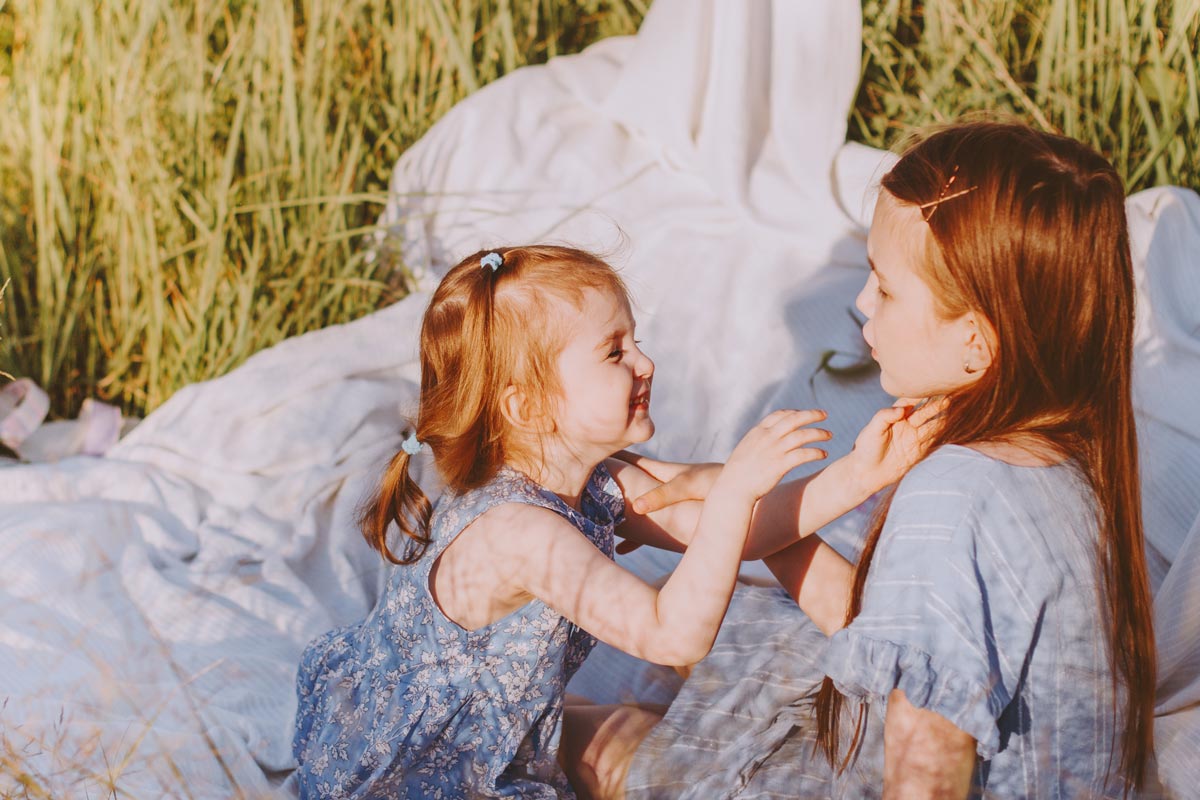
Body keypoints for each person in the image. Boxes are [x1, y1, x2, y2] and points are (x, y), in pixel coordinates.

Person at [565, 121, 1157, 799]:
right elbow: (898, 633)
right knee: (726, 670)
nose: (860, 303)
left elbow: (929, 768)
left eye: (886, 287)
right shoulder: (1064, 458)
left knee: (576, 740)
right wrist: (739, 514)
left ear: (976, 343)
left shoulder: (952, 496)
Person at [290, 245, 925, 798]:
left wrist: (859, 475)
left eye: (636, 340)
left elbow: (739, 532)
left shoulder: (596, 477)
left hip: (499, 721)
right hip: (424, 773)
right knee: (611, 745)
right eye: (614, 350)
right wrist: (733, 493)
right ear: (529, 405)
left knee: (619, 732)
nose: (644, 362)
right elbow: (670, 635)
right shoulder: (518, 535)